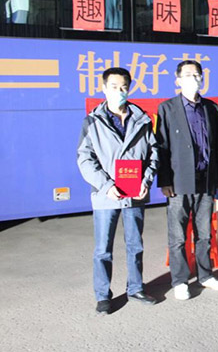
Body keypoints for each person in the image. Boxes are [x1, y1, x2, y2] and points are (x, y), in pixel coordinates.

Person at [77, 67, 159, 315]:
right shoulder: (93, 121)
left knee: (135, 245)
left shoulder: (142, 119)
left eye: (124, 87)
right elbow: (85, 158)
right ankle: (103, 295)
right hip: (106, 195)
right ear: (104, 88)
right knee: (103, 249)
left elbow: (153, 154)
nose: (119, 91)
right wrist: (106, 185)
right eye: (114, 87)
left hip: (135, 194)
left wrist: (146, 180)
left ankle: (136, 288)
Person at [156, 60, 218, 300]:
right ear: (177, 80)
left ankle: (205, 275)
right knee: (178, 235)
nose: (193, 78)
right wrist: (164, 180)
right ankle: (180, 280)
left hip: (206, 179)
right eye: (187, 75)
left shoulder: (211, 107)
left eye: (197, 74)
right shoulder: (167, 108)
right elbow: (162, 147)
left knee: (204, 233)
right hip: (178, 181)